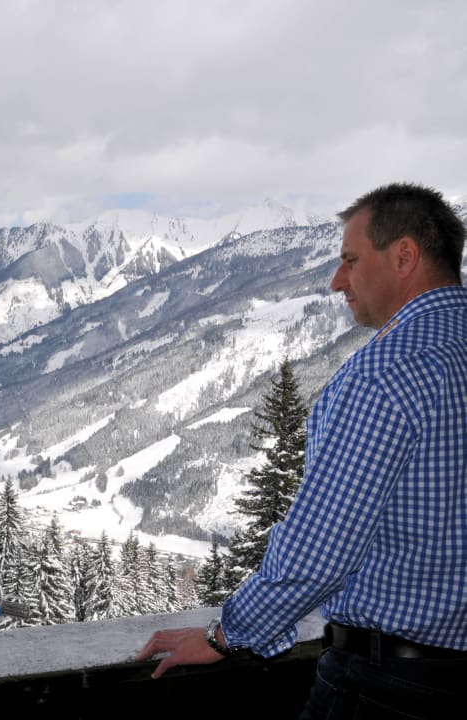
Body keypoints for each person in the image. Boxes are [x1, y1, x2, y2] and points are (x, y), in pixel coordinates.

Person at [135, 182, 467, 718]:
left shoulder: (386, 373)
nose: (338, 281)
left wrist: (227, 635)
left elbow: (321, 551)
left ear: (405, 255)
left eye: (351, 261)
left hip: (389, 686)